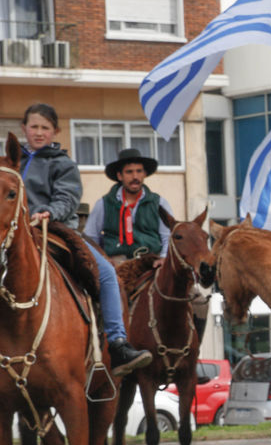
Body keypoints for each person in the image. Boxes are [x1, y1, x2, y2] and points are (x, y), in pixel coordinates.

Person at [20, 103, 151, 376]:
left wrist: (49, 212)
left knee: (106, 275)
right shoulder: (11, 162)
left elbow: (67, 198)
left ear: (55, 131)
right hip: (16, 232)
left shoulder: (63, 164)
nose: (39, 132)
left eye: (45, 127)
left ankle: (117, 343)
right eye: (34, 126)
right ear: (24, 129)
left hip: (54, 229)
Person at [84, 148, 173, 265]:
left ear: (144, 174)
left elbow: (168, 237)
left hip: (152, 264)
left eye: (139, 171)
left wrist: (163, 258)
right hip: (116, 264)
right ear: (120, 176)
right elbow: (91, 238)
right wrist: (102, 259)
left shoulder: (159, 203)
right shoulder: (104, 204)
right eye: (129, 172)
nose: (135, 176)